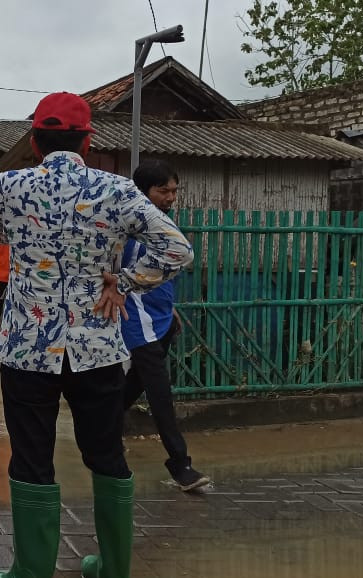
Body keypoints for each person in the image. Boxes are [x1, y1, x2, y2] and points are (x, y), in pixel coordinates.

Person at [0, 93, 193, 578]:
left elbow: (3, 235)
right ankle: (112, 568)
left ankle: (30, 572)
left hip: (27, 347)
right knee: (106, 453)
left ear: (35, 141)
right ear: (88, 140)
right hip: (95, 346)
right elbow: (177, 250)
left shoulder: (8, 186)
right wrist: (128, 279)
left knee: (31, 455)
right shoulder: (117, 190)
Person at [121, 159, 211, 493]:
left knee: (133, 387)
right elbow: (132, 277)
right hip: (138, 321)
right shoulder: (135, 230)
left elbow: (157, 275)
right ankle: (180, 465)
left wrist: (169, 309)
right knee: (160, 393)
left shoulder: (160, 224)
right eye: (163, 191)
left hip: (160, 318)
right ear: (143, 191)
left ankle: (104, 431)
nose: (171, 197)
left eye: (174, 190)